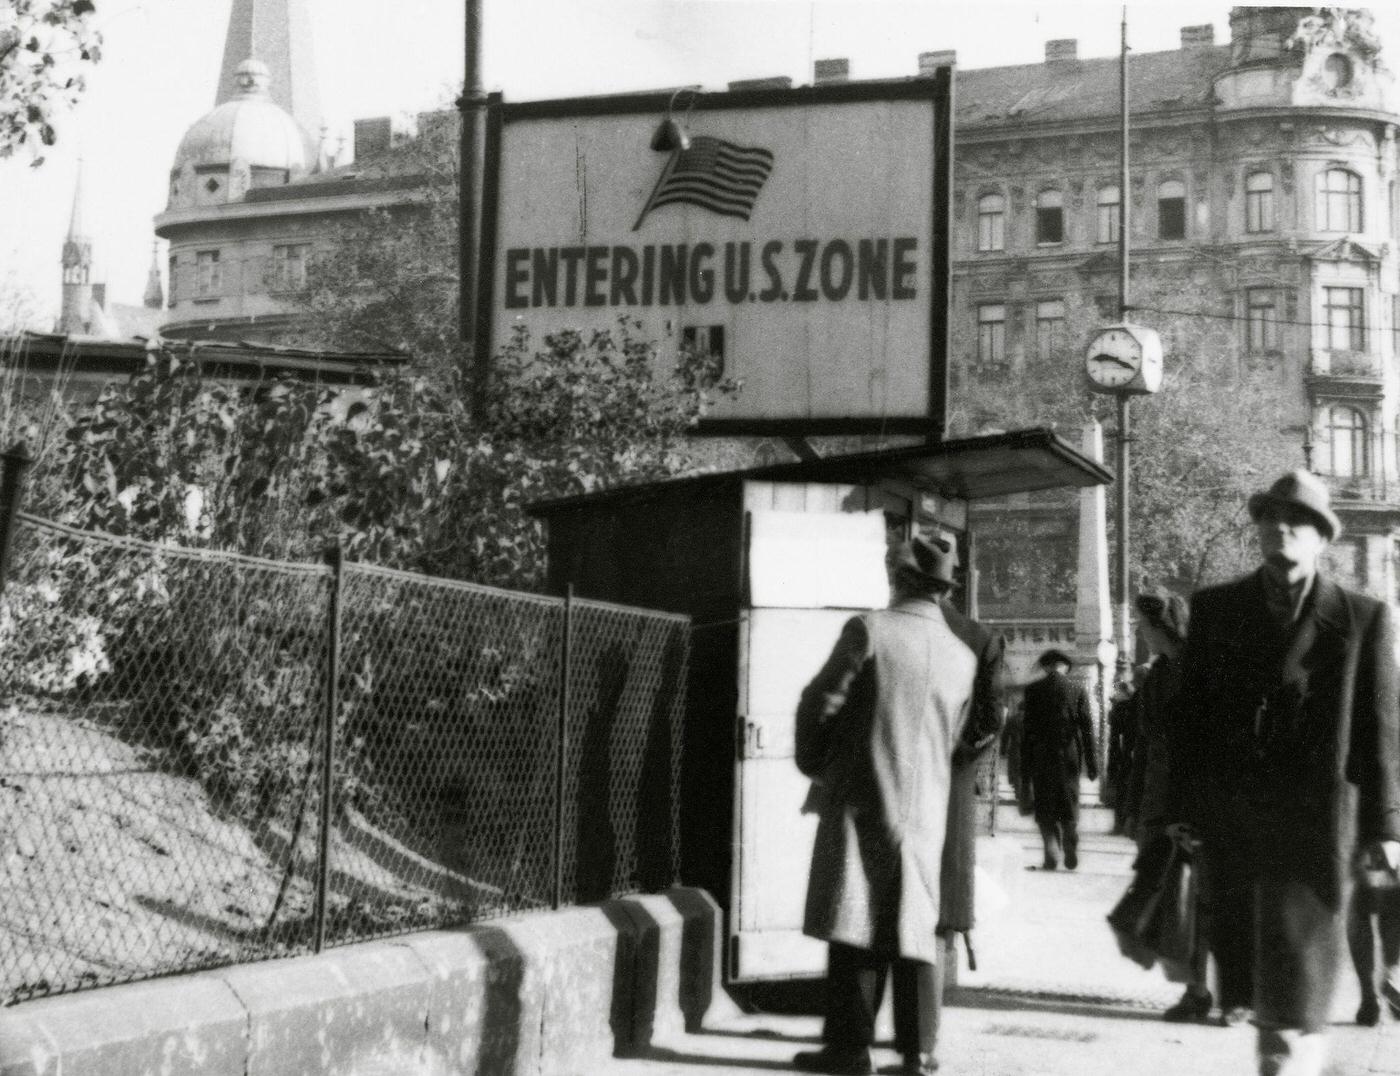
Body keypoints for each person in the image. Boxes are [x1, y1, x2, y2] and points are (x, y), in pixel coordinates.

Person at [1169, 469, 1400, 1076]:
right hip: (1234, 832)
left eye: (1296, 520)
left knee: (1295, 1000)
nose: (1279, 528)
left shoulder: (1363, 619)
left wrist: (1388, 829)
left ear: (1323, 537)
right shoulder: (1217, 612)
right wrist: (1179, 813)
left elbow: (1380, 731)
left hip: (1317, 834)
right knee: (1256, 997)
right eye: (1270, 517)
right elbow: (1188, 723)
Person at [793, 535, 1004, 1076]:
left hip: (862, 795)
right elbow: (965, 732)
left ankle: (849, 1049)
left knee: (854, 915)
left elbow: (821, 700)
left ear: (898, 578)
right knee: (914, 924)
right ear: (943, 588)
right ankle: (914, 1055)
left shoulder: (870, 630)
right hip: (926, 806)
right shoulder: (961, 655)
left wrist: (817, 764)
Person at [1123, 590, 1214, 1023]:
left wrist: (1187, 812)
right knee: (1174, 898)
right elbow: (1147, 745)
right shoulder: (1161, 673)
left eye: (1141, 623)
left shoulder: (1197, 672)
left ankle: (1204, 991)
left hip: (1190, 802)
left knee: (1196, 900)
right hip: (1160, 801)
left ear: (1160, 626)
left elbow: (1202, 748)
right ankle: (1201, 987)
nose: (1137, 631)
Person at [1021, 648, 1097, 871]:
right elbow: (1087, 729)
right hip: (1069, 755)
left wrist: (1025, 767)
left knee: (1044, 803)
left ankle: (1051, 850)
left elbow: (1028, 731)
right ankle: (1070, 838)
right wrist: (1092, 764)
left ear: (1046, 667)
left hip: (1042, 754)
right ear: (1065, 667)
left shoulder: (1033, 690)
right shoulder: (1077, 689)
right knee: (1068, 799)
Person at [1105, 679, 1136, 834]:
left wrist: (1111, 764)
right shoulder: (1136, 704)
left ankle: (1119, 824)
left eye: (1117, 690)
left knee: (1122, 790)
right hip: (1134, 754)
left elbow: (1114, 740)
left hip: (1123, 755)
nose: (1115, 694)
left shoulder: (1120, 708)